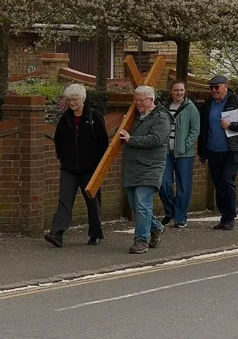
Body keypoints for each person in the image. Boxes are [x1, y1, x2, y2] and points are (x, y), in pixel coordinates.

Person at [44, 84, 108, 248]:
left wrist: (96, 163)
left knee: (93, 202)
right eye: (69, 100)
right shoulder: (65, 119)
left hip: (90, 169)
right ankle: (57, 234)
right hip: (69, 168)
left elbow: (103, 142)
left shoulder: (94, 116)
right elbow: (58, 140)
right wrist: (62, 158)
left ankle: (95, 234)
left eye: (75, 99)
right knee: (64, 201)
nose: (72, 103)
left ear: (82, 99)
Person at [198, 75, 238, 230]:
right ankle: (223, 217)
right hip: (213, 151)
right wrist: (202, 152)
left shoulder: (236, 101)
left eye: (217, 87)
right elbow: (203, 130)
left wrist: (231, 125)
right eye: (211, 88)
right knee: (218, 184)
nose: (214, 90)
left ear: (226, 86)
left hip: (231, 150)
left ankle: (230, 217)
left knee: (227, 181)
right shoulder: (208, 104)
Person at [120, 86, 171, 254]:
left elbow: (156, 139)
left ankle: (141, 241)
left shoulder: (161, 117)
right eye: (136, 99)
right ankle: (156, 227)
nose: (138, 103)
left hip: (151, 167)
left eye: (141, 100)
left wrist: (131, 139)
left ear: (151, 99)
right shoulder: (134, 116)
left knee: (142, 204)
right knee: (134, 204)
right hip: (133, 167)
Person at [158, 80, 200, 228]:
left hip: (184, 154)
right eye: (176, 90)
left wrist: (185, 145)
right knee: (163, 184)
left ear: (185, 91)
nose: (179, 93)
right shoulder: (164, 108)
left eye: (181, 90)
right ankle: (171, 211)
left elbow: (195, 130)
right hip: (166, 152)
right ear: (171, 91)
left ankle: (180, 218)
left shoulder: (191, 108)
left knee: (184, 186)